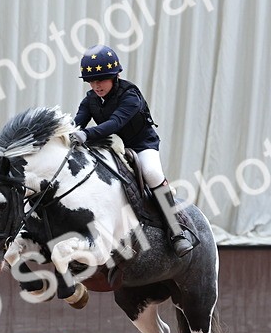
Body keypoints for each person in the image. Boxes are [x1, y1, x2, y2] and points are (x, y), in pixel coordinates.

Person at [68, 44, 193, 256]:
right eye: (91, 81)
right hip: (110, 145)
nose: (96, 86)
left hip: (141, 144)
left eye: (101, 80)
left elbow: (115, 122)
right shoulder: (90, 100)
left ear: (114, 76)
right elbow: (77, 122)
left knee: (152, 173)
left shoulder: (130, 95)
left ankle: (177, 231)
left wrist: (87, 135)